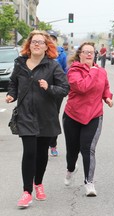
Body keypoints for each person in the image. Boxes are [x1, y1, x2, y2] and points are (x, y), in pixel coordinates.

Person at [5, 30, 69, 208]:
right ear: (29, 45)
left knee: (41, 154)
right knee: (29, 152)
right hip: (25, 115)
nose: (37, 44)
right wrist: (11, 95)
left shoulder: (52, 66)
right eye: (34, 42)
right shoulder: (20, 64)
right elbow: (13, 83)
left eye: (40, 42)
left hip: (46, 116)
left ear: (46, 46)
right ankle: (26, 192)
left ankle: (38, 183)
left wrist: (49, 87)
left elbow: (64, 89)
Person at [63, 42, 113, 197]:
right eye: (86, 52)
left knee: (88, 149)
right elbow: (82, 87)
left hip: (94, 115)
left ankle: (89, 183)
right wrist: (92, 71)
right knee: (72, 151)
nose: (89, 55)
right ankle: (71, 169)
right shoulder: (73, 71)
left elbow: (105, 88)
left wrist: (108, 98)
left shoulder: (102, 72)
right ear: (80, 54)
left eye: (92, 52)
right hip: (73, 115)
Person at [47, 30, 68, 156]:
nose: (51, 41)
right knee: (42, 115)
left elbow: (66, 71)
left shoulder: (61, 54)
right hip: (43, 88)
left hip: (57, 89)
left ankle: (53, 144)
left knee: (53, 116)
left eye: (53, 39)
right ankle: (42, 142)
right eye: (49, 39)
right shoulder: (41, 53)